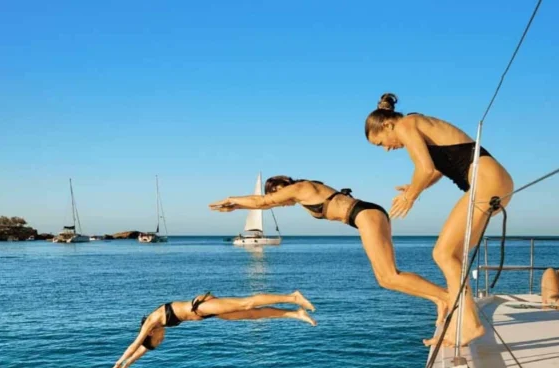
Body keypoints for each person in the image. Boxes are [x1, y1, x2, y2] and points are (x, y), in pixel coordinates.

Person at [364, 93, 514, 346]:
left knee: (443, 254)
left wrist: (411, 196)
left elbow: (424, 169)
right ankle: (461, 322)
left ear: (388, 125)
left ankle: (470, 325)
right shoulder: (417, 123)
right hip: (494, 181)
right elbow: (435, 170)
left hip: (486, 182)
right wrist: (414, 187)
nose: (388, 148)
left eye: (381, 143)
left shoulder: (406, 124)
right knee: (451, 255)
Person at [210, 176, 449, 331]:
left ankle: (449, 297)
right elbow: (265, 202)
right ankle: (439, 299)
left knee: (389, 276)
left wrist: (232, 199)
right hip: (366, 217)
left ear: (281, 188)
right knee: (386, 279)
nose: (281, 204)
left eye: (279, 198)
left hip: (365, 215)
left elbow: (263, 202)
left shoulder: (300, 188)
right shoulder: (302, 194)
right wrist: (239, 206)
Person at [109, 291, 316, 368]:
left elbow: (135, 344)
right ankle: (295, 314)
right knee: (251, 315)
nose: (161, 340)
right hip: (205, 313)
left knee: (247, 304)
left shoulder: (152, 322)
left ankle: (293, 297)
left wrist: (119, 362)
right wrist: (128, 366)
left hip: (200, 306)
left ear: (151, 332)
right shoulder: (154, 330)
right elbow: (145, 348)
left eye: (159, 339)